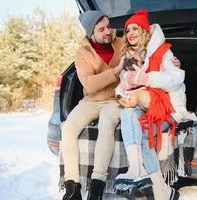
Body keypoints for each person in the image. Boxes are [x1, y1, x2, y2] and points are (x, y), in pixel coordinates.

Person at [60, 10, 181, 200]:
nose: (108, 32)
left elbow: (147, 49)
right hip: (91, 100)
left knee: (106, 124)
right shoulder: (82, 53)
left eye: (109, 26)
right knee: (67, 128)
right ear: (91, 33)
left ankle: (97, 186)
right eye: (102, 29)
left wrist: (172, 63)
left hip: (115, 100)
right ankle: (72, 186)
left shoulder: (121, 42)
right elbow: (89, 84)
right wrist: (116, 72)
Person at [114, 10, 191, 200]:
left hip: (166, 105)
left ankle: (139, 169)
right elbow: (125, 84)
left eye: (135, 28)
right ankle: (160, 189)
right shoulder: (128, 57)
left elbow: (176, 78)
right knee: (134, 122)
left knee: (132, 110)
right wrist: (120, 94)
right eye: (128, 29)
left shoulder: (163, 51)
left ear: (145, 31)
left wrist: (147, 77)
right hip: (142, 105)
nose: (131, 32)